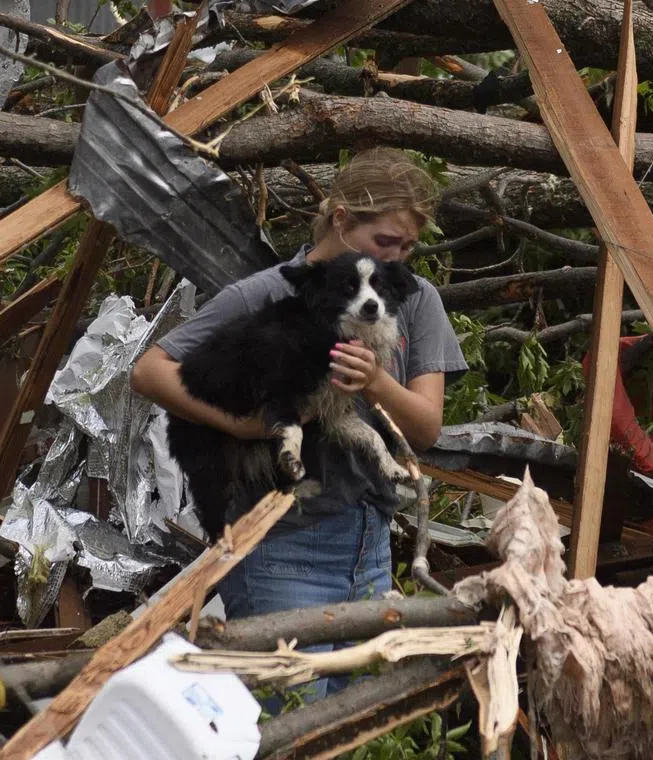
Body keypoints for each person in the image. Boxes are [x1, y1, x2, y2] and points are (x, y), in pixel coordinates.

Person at [130, 147, 468, 701]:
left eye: (408, 247)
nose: (399, 257)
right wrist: (244, 427)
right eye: (386, 241)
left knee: (354, 724)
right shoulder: (267, 292)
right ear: (340, 219)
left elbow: (426, 430)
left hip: (371, 542)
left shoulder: (413, 298)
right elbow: (149, 370)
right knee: (292, 719)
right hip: (280, 544)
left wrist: (378, 382)